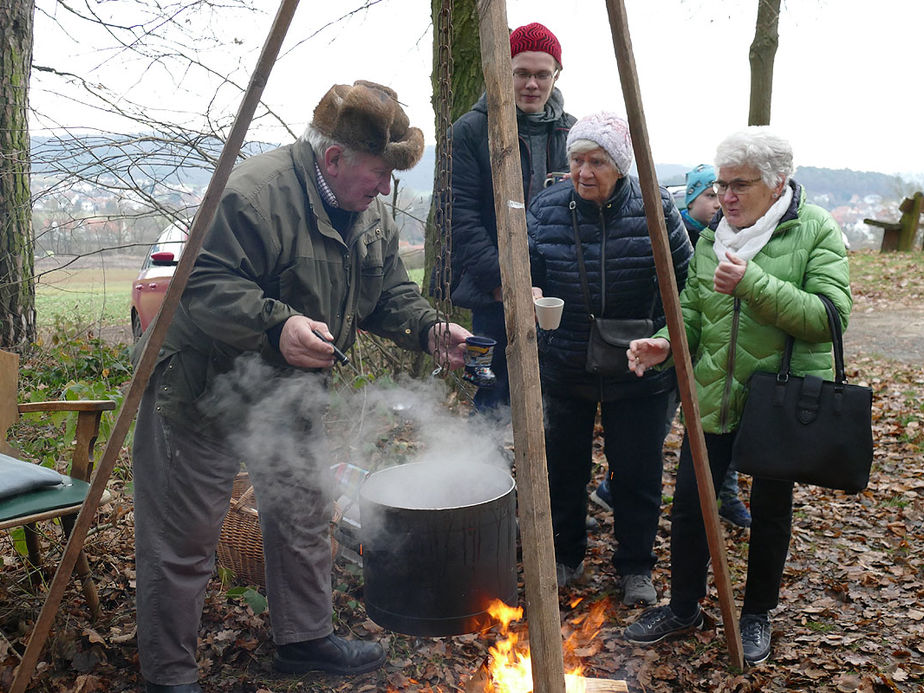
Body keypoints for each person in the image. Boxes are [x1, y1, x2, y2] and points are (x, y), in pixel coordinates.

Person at [132, 81, 471, 692]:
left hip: (287, 393)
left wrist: (427, 329)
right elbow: (200, 283)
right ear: (335, 159)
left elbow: (386, 289)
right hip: (201, 387)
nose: (386, 189)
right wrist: (276, 325)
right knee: (182, 542)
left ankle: (304, 639)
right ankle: (169, 676)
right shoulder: (254, 195)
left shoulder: (368, 211)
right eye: (379, 173)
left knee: (303, 515)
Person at [623, 127, 852, 664]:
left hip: (781, 399)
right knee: (691, 505)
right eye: (720, 185)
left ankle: (756, 616)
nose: (724, 196)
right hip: (712, 392)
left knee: (770, 511)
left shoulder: (812, 229)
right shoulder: (713, 235)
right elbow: (695, 314)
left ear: (776, 184)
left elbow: (830, 318)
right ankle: (683, 608)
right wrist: (664, 343)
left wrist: (753, 283)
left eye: (738, 185)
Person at [526, 112, 692, 604]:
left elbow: (683, 284)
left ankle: (636, 567)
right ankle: (564, 556)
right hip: (564, 361)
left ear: (620, 164)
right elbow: (525, 268)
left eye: (597, 161)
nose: (584, 172)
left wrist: (663, 340)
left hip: (637, 364)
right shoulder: (546, 208)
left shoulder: (656, 208)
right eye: (577, 160)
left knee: (637, 472)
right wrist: (527, 288)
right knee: (563, 468)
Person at [448, 22, 575, 421]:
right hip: (490, 293)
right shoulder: (471, 131)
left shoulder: (573, 132)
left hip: (555, 291)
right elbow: (460, 217)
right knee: (489, 396)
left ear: (557, 75)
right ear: (504, 71)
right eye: (521, 73)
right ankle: (485, 482)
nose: (532, 84)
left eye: (542, 74)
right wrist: (503, 282)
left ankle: (545, 481)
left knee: (555, 398)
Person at [683, 164, 751, 529]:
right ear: (692, 199)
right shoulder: (683, 235)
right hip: (685, 350)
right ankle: (610, 488)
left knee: (728, 431)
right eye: (709, 195)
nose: (718, 202)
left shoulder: (731, 236)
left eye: (720, 194)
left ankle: (727, 495)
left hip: (718, 357)